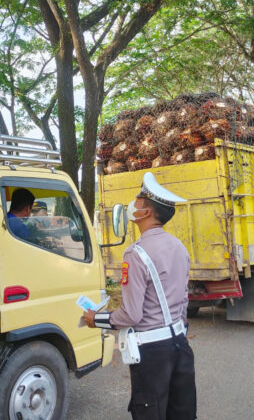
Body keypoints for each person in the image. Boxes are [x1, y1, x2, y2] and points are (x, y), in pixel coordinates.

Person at [83, 172, 196, 420]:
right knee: (182, 413)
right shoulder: (179, 246)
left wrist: (96, 319)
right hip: (180, 344)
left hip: (153, 353)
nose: (132, 204)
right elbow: (184, 300)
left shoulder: (136, 254)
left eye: (138, 200)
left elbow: (131, 314)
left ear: (144, 213)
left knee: (150, 412)